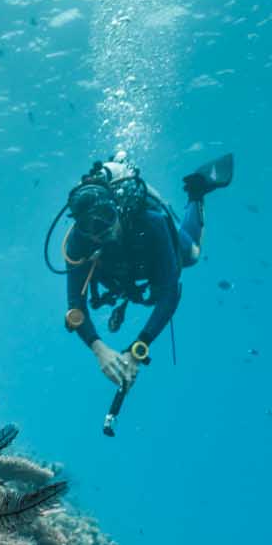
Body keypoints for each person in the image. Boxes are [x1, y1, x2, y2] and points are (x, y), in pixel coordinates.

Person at [55, 150, 234, 393]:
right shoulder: (78, 243)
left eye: (106, 218)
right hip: (119, 274)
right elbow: (75, 303)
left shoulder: (150, 221)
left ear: (116, 208)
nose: (101, 230)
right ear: (80, 227)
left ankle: (197, 192)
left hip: (149, 257)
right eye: (89, 225)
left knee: (191, 255)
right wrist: (99, 349)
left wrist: (139, 348)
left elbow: (170, 292)